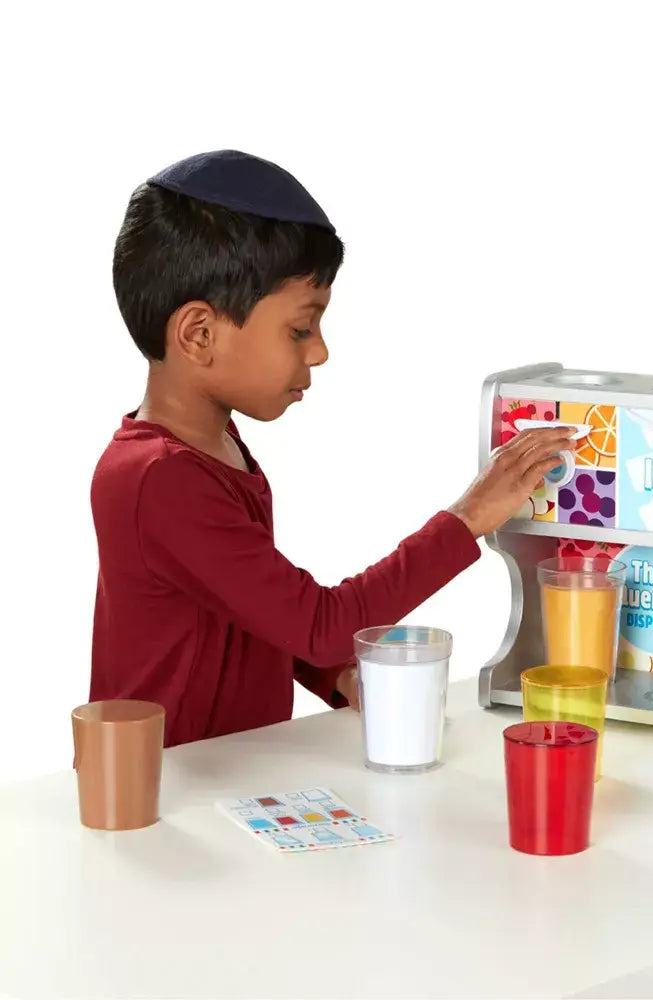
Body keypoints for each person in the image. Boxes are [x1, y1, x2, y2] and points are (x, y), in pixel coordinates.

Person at [89, 149, 571, 748]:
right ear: (199, 334)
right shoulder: (158, 478)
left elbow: (250, 613)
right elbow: (317, 624)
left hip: (234, 772)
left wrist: (334, 676)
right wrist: (468, 518)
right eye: (300, 328)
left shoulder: (212, 449)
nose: (319, 352)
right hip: (166, 792)